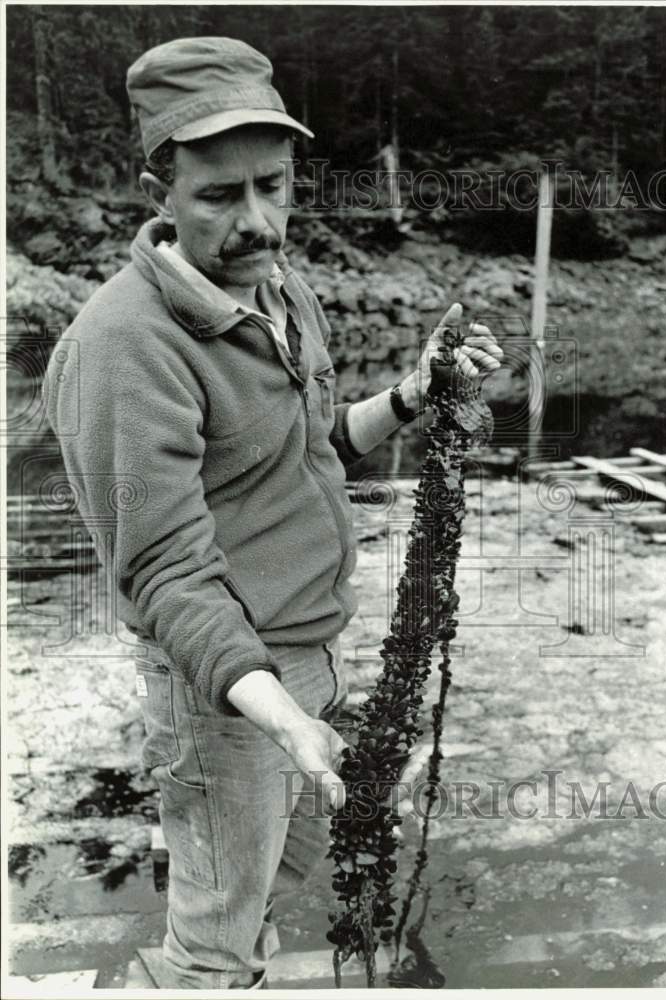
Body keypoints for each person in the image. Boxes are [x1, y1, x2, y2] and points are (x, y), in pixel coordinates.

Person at [43, 36, 503, 989]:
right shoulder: (123, 349)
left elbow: (312, 449)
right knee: (214, 942)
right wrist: (283, 718)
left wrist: (412, 396)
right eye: (219, 196)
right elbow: (165, 572)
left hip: (311, 653)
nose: (257, 221)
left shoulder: (280, 290)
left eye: (275, 186)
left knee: (266, 885)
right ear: (157, 190)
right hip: (227, 691)